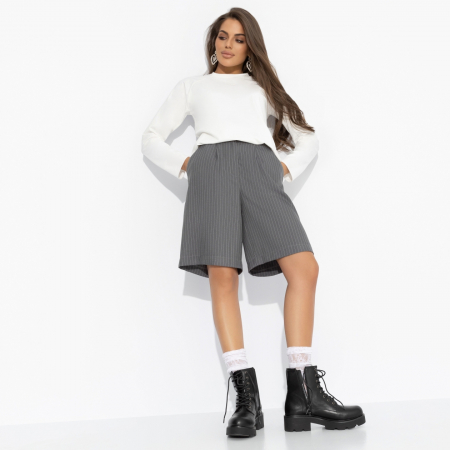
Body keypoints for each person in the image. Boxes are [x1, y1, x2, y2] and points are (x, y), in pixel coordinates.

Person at [142, 7, 365, 438]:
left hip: (260, 169)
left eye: (239, 39)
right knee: (223, 277)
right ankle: (246, 399)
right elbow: (150, 137)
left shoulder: (262, 86)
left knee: (304, 268)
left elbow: (307, 136)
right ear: (213, 42)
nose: (229, 45)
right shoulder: (192, 87)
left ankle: (303, 393)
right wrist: (187, 165)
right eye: (223, 36)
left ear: (251, 47)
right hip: (211, 171)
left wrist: (283, 167)